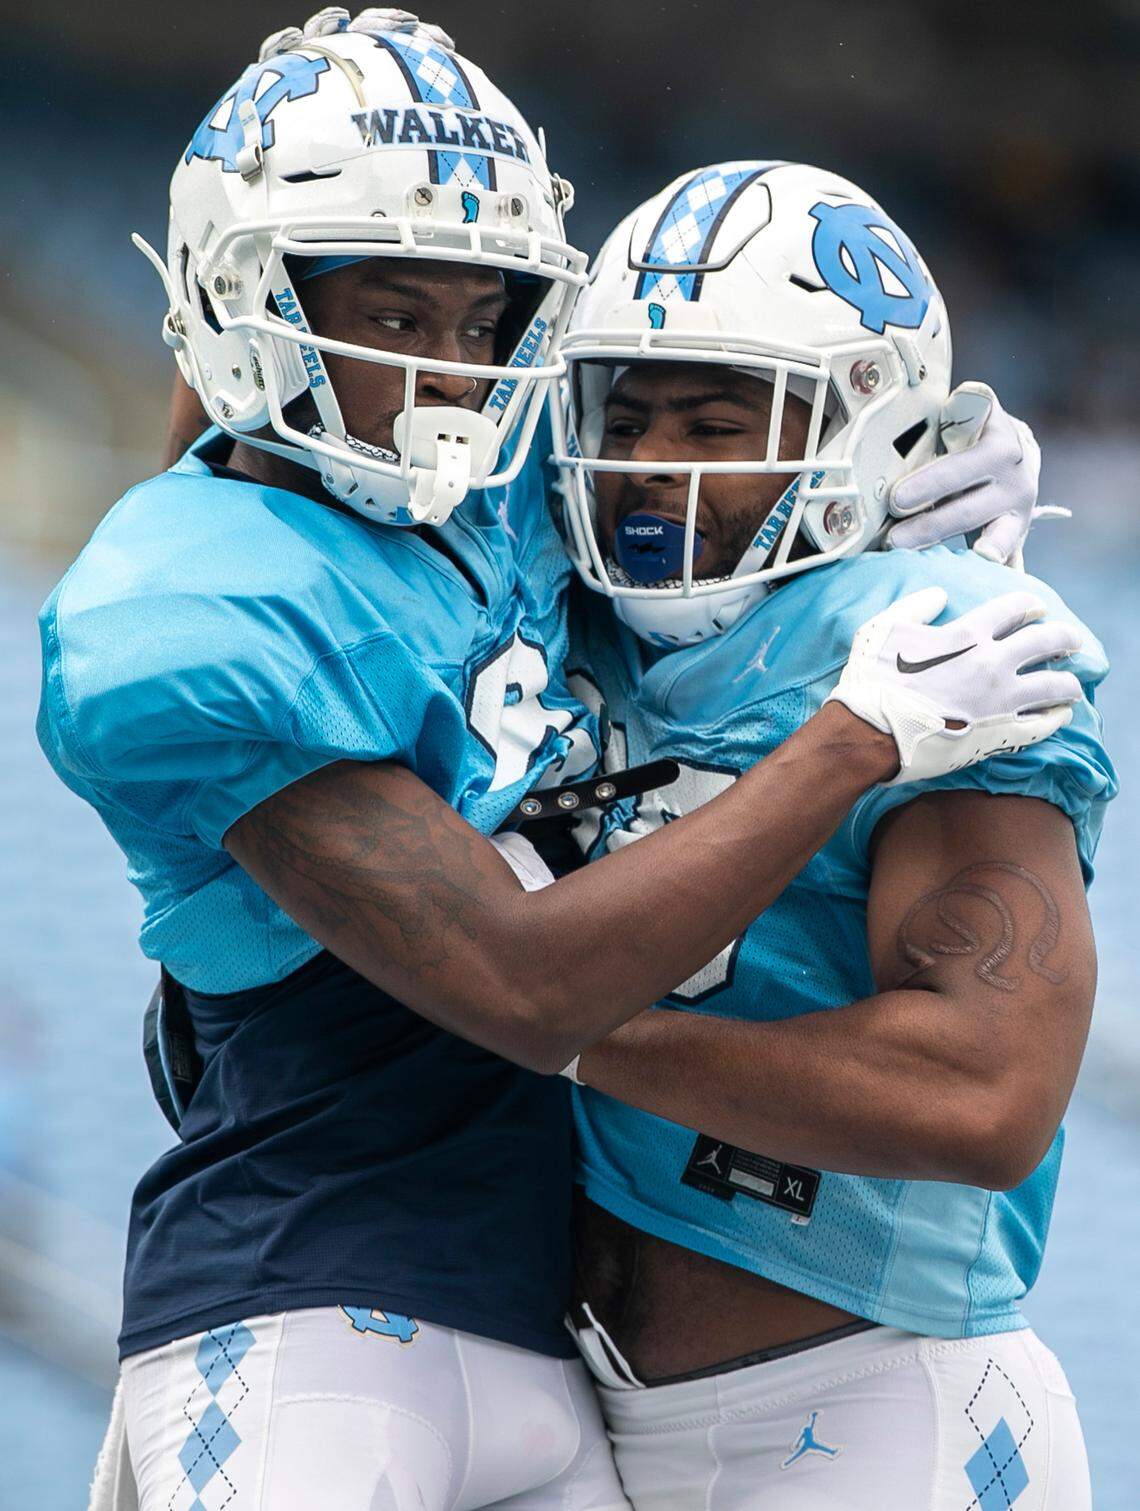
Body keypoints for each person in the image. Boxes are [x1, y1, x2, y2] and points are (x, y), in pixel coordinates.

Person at [43, 13, 1072, 1510]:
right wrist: (856, 736)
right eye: (396, 319)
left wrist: (878, 475)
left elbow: (701, 450)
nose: (454, 377)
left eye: (488, 320)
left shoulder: (506, 484)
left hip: (564, 1356)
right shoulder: (190, 610)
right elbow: (522, 988)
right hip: (308, 1296)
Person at [545, 160, 1116, 1508]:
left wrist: (556, 1020)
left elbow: (982, 1093)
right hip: (596, 1405)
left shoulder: (943, 643)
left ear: (860, 432)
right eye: (626, 415)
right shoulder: (565, 612)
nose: (656, 468)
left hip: (875, 1411)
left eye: (718, 418)